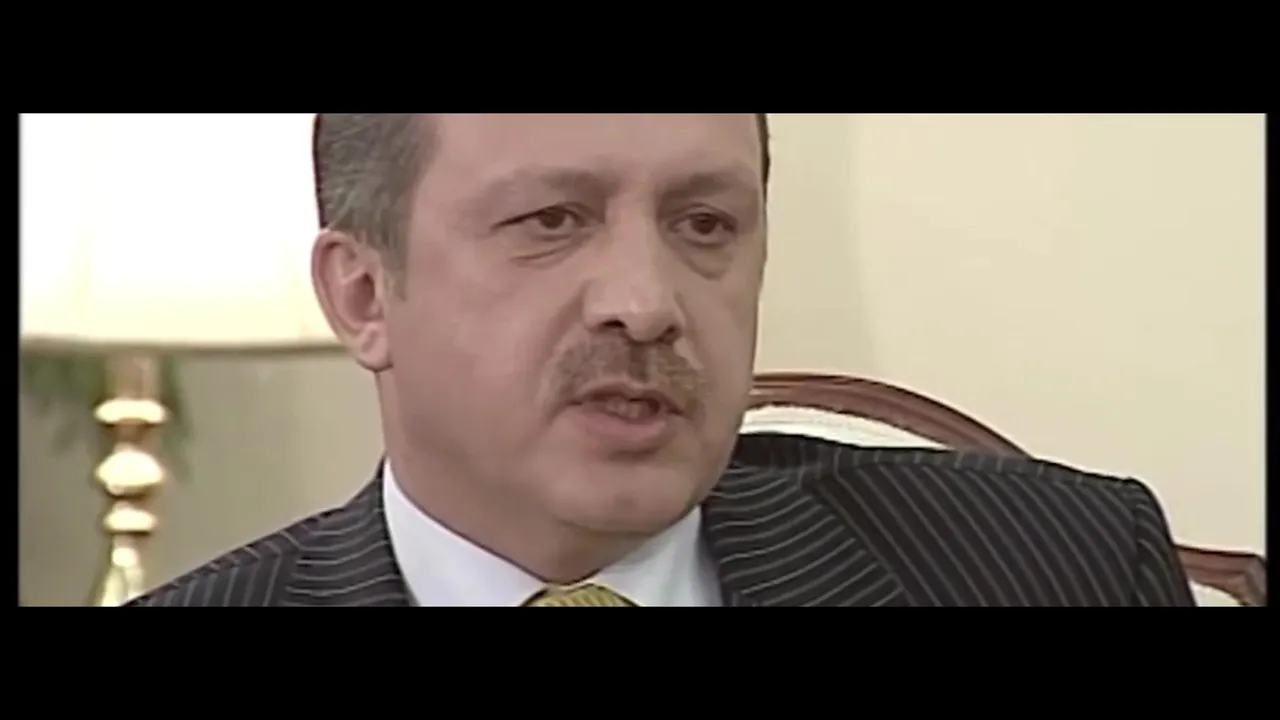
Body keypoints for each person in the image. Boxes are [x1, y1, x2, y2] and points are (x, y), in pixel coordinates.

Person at [131, 114, 1194, 607]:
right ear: (364, 295)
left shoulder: (1062, 568)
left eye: (703, 225)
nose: (645, 306)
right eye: (551, 220)